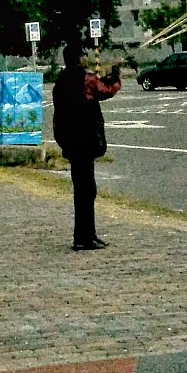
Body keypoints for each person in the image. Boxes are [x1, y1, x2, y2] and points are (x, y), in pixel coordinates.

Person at [52, 42, 121, 251]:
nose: (86, 57)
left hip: (71, 140)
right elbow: (106, 90)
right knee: (86, 191)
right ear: (77, 58)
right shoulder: (85, 78)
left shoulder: (62, 80)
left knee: (83, 190)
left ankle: (87, 234)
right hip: (84, 139)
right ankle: (83, 238)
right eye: (83, 54)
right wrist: (115, 74)